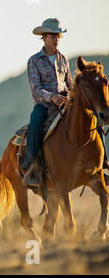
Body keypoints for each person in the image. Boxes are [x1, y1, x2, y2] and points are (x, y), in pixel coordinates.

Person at [22, 18, 108, 187]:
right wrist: (52, 97)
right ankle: (31, 167)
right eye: (52, 36)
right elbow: (36, 89)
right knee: (36, 123)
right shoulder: (34, 61)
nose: (56, 39)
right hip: (45, 105)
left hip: (65, 103)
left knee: (93, 120)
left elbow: (69, 84)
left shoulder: (63, 59)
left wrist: (71, 96)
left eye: (58, 36)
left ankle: (102, 163)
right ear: (44, 37)